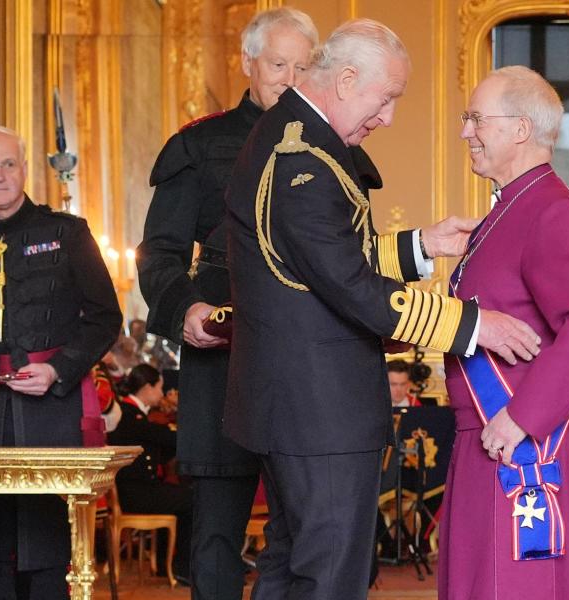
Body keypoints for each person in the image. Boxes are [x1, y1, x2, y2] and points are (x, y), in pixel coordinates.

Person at [223, 19, 541, 600]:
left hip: (293, 405)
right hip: (320, 411)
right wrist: (472, 326)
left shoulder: (294, 138)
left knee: (290, 567)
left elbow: (315, 259)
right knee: (329, 578)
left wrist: (423, 245)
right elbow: (347, 282)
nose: (388, 117)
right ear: (346, 80)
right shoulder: (305, 160)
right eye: (387, 97)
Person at [136, 8, 320, 598]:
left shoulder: (334, 143)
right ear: (248, 64)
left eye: (302, 66)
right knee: (216, 534)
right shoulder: (198, 143)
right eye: (277, 65)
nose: (289, 79)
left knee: (305, 528)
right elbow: (159, 253)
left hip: (307, 360)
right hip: (224, 356)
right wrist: (185, 309)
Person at [437, 66, 569, 599]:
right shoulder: (509, 211)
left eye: (476, 119)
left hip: (522, 452)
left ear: (520, 129)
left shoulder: (551, 212)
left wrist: (523, 415)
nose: (465, 131)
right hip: (487, 441)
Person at [0, 126, 122, 599]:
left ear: (25, 169)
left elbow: (106, 316)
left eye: (7, 164)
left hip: (50, 407)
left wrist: (58, 369)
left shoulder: (67, 232)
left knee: (46, 547)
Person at [107, 364, 193, 583]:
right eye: (159, 388)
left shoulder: (138, 415)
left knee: (177, 496)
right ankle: (183, 567)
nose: (162, 394)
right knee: (192, 498)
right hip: (135, 492)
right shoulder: (129, 415)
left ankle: (168, 564)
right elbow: (167, 438)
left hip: (143, 489)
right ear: (147, 388)